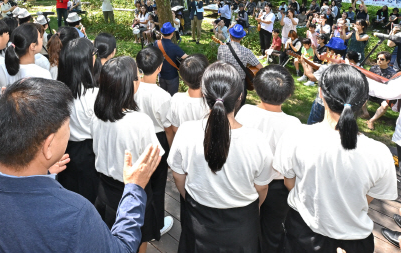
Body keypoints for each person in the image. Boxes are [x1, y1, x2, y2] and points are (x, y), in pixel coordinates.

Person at [0, 77, 161, 253]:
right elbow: (121, 249)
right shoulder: (74, 214)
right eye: (67, 126)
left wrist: (44, 172)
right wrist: (134, 188)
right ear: (48, 145)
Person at [275, 64, 397, 252]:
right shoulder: (380, 154)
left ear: (321, 94)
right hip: (354, 242)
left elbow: (289, 183)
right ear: (363, 101)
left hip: (303, 236)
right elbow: (365, 200)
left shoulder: (295, 136)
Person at [168, 62, 273, 252]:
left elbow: (178, 176)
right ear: (240, 96)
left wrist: (191, 198)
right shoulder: (257, 140)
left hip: (198, 219)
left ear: (204, 95)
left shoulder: (186, 132)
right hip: (242, 226)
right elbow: (262, 187)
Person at [93, 57, 165, 252]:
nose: (140, 78)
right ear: (130, 83)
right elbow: (154, 159)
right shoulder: (140, 121)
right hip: (133, 189)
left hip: (104, 189)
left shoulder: (97, 113)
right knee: (137, 240)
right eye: (137, 75)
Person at [235, 65, 300, 252]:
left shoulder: (246, 112)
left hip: (248, 180)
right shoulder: (294, 124)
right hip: (279, 187)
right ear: (288, 94)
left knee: (246, 225)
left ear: (255, 88)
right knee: (273, 231)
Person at [134, 47, 175, 237]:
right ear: (160, 67)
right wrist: (171, 149)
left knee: (139, 181)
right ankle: (157, 225)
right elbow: (168, 128)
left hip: (135, 136)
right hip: (157, 139)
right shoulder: (163, 96)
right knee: (158, 185)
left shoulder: (130, 88)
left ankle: (137, 218)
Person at [56, 38, 100, 203]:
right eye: (93, 54)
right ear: (85, 61)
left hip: (65, 151)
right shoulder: (95, 95)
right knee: (90, 197)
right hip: (90, 153)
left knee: (70, 195)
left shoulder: (58, 91)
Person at [301, 37, 347, 123]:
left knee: (313, 124)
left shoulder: (326, 68)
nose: (326, 50)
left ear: (331, 52)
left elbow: (312, 77)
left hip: (322, 103)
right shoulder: (346, 67)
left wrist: (303, 63)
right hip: (338, 105)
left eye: (327, 49)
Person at [167, 54, 209, 146]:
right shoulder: (212, 102)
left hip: (184, 149)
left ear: (182, 77)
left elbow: (174, 129)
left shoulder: (176, 99)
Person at [217, 24, 262, 105]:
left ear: (230, 35)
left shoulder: (221, 48)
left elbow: (219, 63)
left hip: (224, 82)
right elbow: (260, 67)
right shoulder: (247, 52)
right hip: (240, 85)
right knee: (238, 108)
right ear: (241, 37)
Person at [153, 22, 188, 96]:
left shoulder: (156, 43)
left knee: (162, 96)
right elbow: (186, 57)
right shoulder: (174, 47)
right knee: (172, 96)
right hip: (172, 76)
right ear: (172, 33)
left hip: (161, 74)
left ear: (162, 33)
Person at [365, 51, 397, 130]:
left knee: (385, 105)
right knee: (360, 94)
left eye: (382, 59)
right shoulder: (373, 68)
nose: (379, 60)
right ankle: (365, 113)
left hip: (382, 94)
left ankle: (371, 121)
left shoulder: (393, 73)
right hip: (371, 91)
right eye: (378, 58)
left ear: (388, 61)